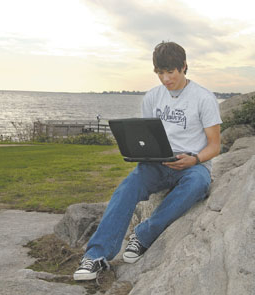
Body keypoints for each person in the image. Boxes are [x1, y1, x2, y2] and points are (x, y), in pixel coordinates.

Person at [73, 41, 222, 281]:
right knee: (128, 186)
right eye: (160, 73)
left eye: (170, 72)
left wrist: (194, 159)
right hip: (158, 163)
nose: (165, 79)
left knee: (197, 184)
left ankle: (143, 236)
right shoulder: (153, 97)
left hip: (193, 166)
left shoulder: (203, 98)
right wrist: (142, 154)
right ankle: (97, 255)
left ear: (184, 67)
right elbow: (147, 137)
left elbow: (215, 145)